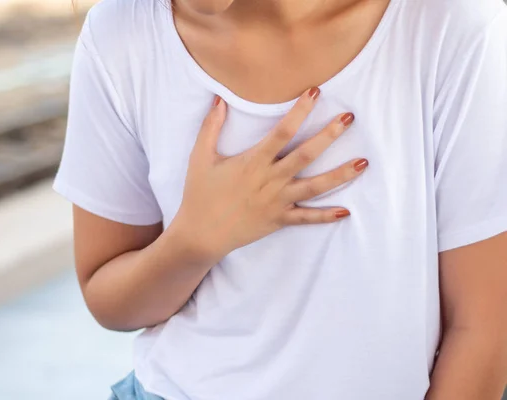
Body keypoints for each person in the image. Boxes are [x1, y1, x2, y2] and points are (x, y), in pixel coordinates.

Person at [53, 0, 507, 398]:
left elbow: (483, 328)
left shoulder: (453, 27)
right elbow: (109, 301)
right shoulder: (119, 38)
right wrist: (193, 241)